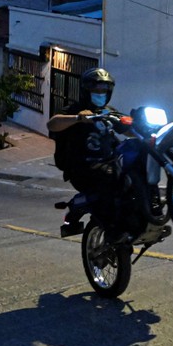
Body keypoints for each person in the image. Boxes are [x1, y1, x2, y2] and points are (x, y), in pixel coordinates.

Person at [48, 67, 129, 241]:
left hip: (109, 163)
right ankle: (112, 231)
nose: (100, 93)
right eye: (96, 90)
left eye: (104, 90)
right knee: (111, 178)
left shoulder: (109, 112)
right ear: (86, 91)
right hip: (82, 167)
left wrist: (148, 132)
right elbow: (52, 124)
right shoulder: (76, 109)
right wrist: (77, 118)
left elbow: (128, 129)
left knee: (135, 172)